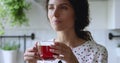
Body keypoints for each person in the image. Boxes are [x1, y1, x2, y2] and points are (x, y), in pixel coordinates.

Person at [24, 0, 108, 63]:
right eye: (51, 7)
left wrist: (73, 61)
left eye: (63, 7)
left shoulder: (97, 52)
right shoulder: (41, 50)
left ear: (77, 13)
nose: (55, 14)